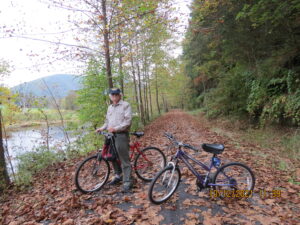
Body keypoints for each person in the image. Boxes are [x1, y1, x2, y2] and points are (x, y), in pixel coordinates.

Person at [96, 88, 133, 192]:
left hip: (121, 135)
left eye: (116, 94)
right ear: (110, 96)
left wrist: (115, 128)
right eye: (112, 95)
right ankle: (118, 175)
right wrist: (102, 128)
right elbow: (107, 121)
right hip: (110, 135)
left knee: (124, 159)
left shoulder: (125, 105)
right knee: (112, 157)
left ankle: (128, 181)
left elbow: (128, 122)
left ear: (120, 95)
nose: (114, 96)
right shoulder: (110, 107)